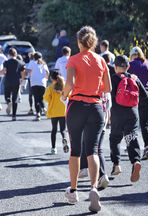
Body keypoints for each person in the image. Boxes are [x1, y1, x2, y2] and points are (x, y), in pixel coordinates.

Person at [61, 26, 111, 212]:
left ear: (79, 42)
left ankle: (73, 191)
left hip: (77, 107)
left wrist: (65, 95)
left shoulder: (73, 60)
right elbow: (108, 87)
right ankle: (93, 188)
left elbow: (70, 83)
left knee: (75, 150)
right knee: (93, 150)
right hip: (96, 108)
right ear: (94, 42)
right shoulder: (101, 60)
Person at [109, 55, 148, 183]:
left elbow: (108, 95)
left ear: (115, 67)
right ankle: (135, 161)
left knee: (115, 138)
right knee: (131, 137)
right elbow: (145, 95)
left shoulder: (113, 78)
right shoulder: (134, 78)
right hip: (132, 113)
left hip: (117, 114)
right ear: (128, 67)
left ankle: (116, 165)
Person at [129, 46, 148, 160]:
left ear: (132, 55)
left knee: (132, 123)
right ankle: (147, 147)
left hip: (135, 97)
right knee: (145, 124)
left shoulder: (130, 65)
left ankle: (132, 147)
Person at [79, 92, 112, 190]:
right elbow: (108, 106)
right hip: (102, 120)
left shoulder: (90, 87)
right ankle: (84, 168)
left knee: (93, 147)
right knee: (94, 146)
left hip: (89, 119)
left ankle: (102, 174)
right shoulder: (106, 91)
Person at [0, 48, 25, 121]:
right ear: (16, 54)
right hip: (16, 81)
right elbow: (23, 73)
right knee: (15, 99)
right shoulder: (20, 63)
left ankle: (8, 102)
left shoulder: (6, 62)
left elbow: (3, 72)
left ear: (9, 54)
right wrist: (22, 80)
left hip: (8, 81)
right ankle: (14, 116)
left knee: (7, 96)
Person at [43, 71, 69, 155]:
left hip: (54, 112)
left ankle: (53, 148)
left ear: (51, 78)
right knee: (63, 130)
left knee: (54, 130)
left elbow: (46, 99)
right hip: (63, 111)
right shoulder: (64, 86)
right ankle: (64, 138)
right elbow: (69, 96)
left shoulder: (50, 88)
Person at [25, 52, 49, 121]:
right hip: (42, 83)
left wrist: (24, 69)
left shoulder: (32, 63)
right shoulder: (44, 64)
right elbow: (47, 72)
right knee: (41, 98)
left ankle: (38, 114)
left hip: (34, 83)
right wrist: (46, 78)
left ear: (34, 57)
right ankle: (44, 108)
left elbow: (29, 70)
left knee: (36, 99)